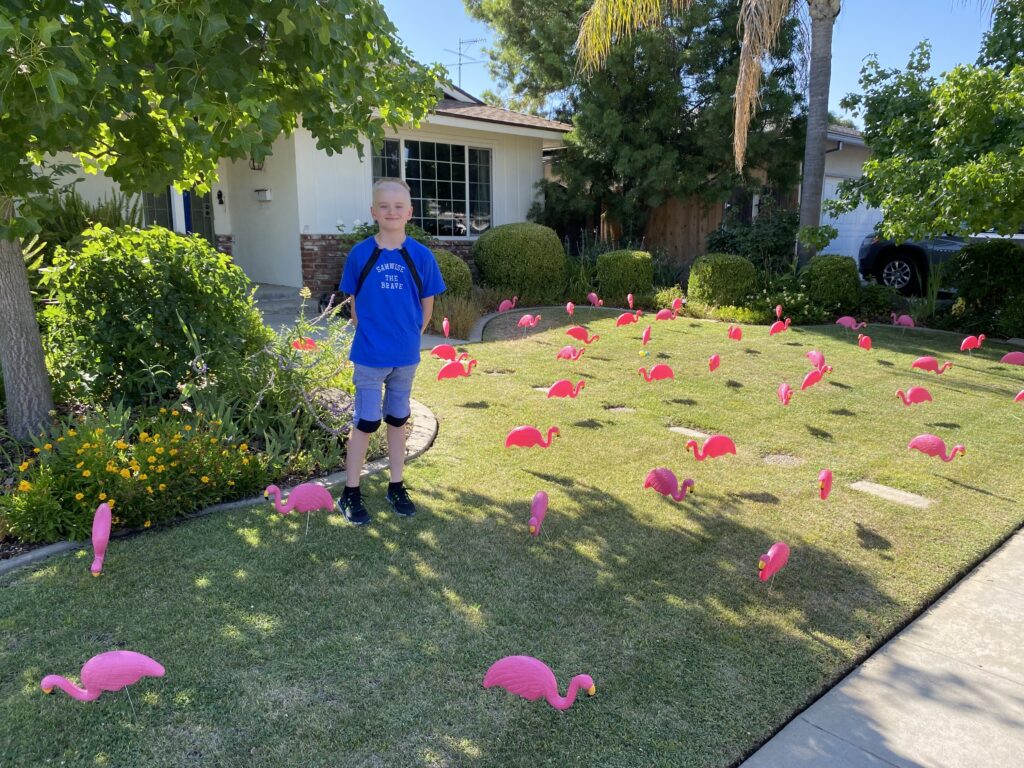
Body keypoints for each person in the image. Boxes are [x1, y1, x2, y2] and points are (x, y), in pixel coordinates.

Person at [337, 178, 446, 524]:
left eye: (398, 207)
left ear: (410, 212)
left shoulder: (420, 256)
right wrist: (373, 335)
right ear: (373, 212)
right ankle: (350, 492)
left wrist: (409, 337)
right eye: (384, 206)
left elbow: (426, 306)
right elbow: (353, 305)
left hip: (405, 357)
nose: (391, 212)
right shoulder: (361, 254)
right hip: (369, 356)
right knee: (366, 421)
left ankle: (396, 485)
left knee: (398, 420)